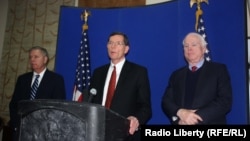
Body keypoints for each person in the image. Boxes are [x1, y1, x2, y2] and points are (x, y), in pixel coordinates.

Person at [88, 31, 152, 141]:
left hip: (124, 134)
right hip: (97, 133)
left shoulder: (138, 72)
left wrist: (136, 119)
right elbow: (91, 102)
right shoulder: (98, 72)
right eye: (110, 43)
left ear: (126, 49)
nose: (113, 46)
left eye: (118, 43)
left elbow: (145, 107)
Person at [161, 32, 232, 125]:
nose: (189, 49)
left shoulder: (219, 70)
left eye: (194, 45)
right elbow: (166, 102)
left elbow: (224, 101)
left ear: (203, 49)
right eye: (186, 46)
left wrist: (192, 118)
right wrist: (181, 114)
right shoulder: (176, 75)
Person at [9, 46, 66, 140]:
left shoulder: (56, 80)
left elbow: (58, 107)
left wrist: (47, 128)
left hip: (44, 132)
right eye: (30, 57)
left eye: (36, 57)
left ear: (45, 59)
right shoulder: (22, 79)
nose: (32, 60)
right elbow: (14, 104)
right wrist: (16, 125)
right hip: (21, 130)